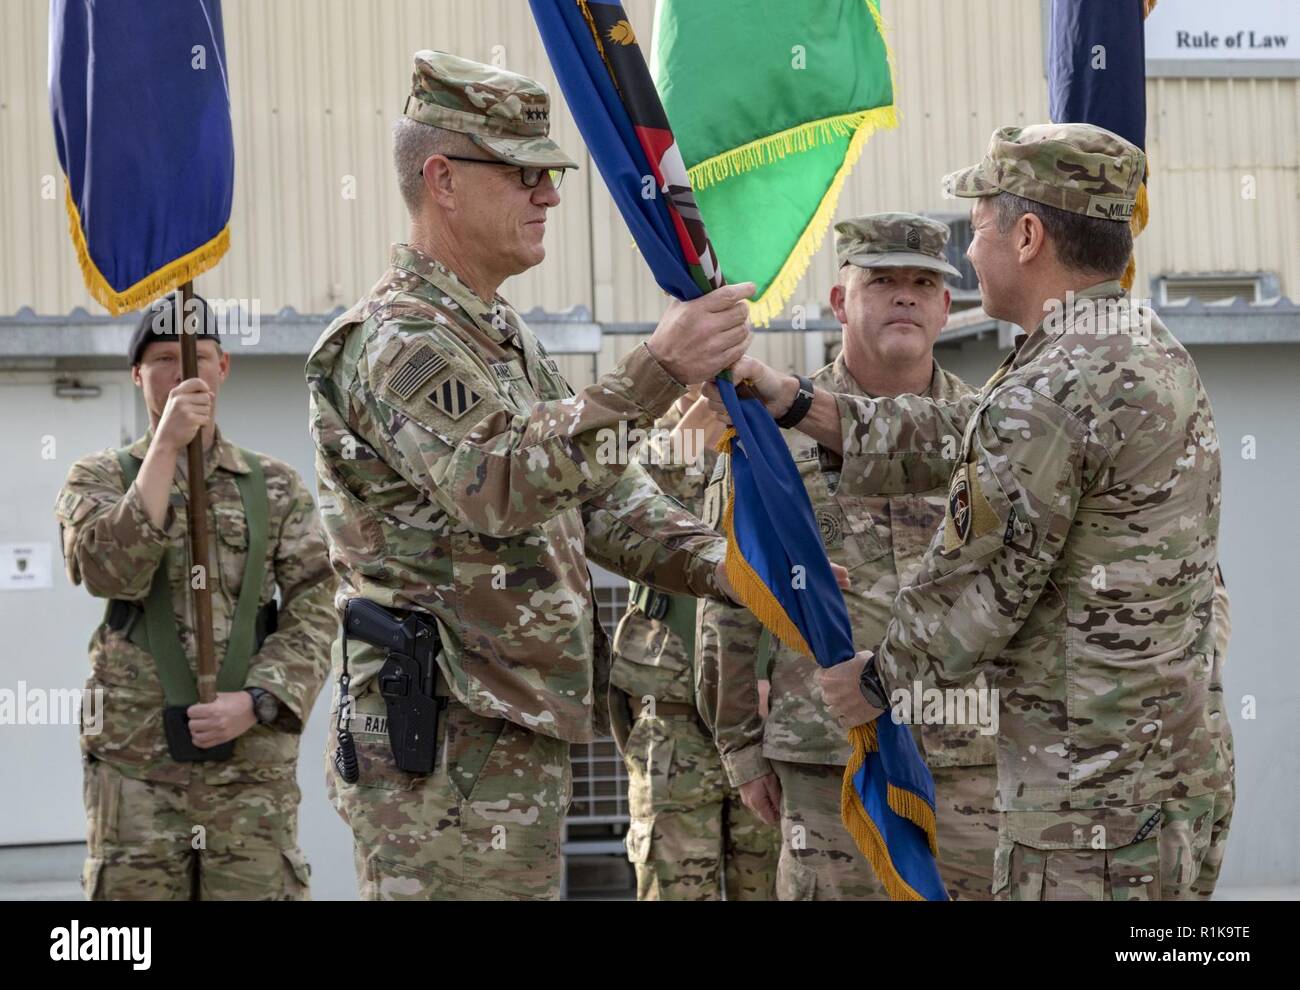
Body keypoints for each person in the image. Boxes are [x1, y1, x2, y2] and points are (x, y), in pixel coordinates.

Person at [713, 124, 1227, 901]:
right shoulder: (1131, 345)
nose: (971, 247)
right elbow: (971, 432)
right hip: (1161, 781)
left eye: (977, 226)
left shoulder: (1054, 384)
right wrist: (803, 405)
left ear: (1028, 236)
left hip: (1087, 805)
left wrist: (876, 682)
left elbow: (980, 584)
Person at [306, 50, 753, 901]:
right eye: (522, 174)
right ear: (443, 179)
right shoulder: (399, 339)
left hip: (508, 730)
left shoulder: (499, 337)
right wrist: (656, 366)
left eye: (549, 175)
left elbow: (605, 502)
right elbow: (499, 481)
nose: (549, 194)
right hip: (442, 746)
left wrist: (732, 568)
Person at [697, 214, 998, 900]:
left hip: (968, 753)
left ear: (947, 308)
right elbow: (733, 592)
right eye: (882, 280)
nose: (905, 297)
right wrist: (740, 747)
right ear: (840, 302)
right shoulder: (771, 432)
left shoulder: (993, 431)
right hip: (828, 758)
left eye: (924, 283)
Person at [54, 292, 335, 900]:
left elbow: (318, 602)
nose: (182, 371)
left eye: (198, 356)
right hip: (136, 762)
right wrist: (163, 448)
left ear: (223, 367)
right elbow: (110, 573)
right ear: (136, 375)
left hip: (249, 763)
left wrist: (260, 698)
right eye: (161, 358)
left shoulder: (276, 486)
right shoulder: (97, 477)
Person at [611, 389, 779, 900]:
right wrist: (683, 444)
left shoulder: (771, 430)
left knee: (772, 879)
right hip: (674, 712)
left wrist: (770, 670)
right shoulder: (642, 436)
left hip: (763, 707)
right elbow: (618, 513)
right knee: (675, 881)